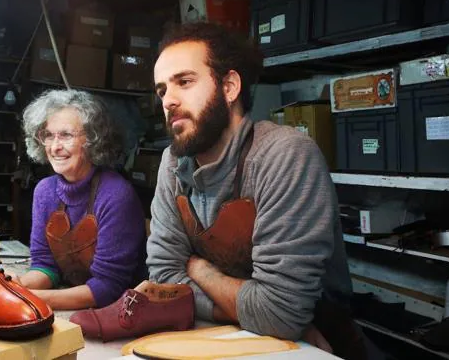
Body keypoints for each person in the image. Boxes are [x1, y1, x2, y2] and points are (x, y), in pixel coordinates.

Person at [147, 23, 368, 359]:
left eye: (184, 82)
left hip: (314, 345)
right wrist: (257, 314)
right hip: (223, 339)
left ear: (230, 86)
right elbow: (163, 277)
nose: (169, 101)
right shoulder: (172, 163)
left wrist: (198, 269)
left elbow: (280, 311)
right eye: (162, 90)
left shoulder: (285, 155)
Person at [17, 89, 147, 310]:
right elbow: (45, 265)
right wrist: (16, 287)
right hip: (74, 303)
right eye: (49, 135)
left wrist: (32, 299)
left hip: (122, 311)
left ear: (93, 139)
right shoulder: (44, 191)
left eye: (66, 135)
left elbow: (108, 288)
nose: (55, 146)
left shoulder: (116, 194)